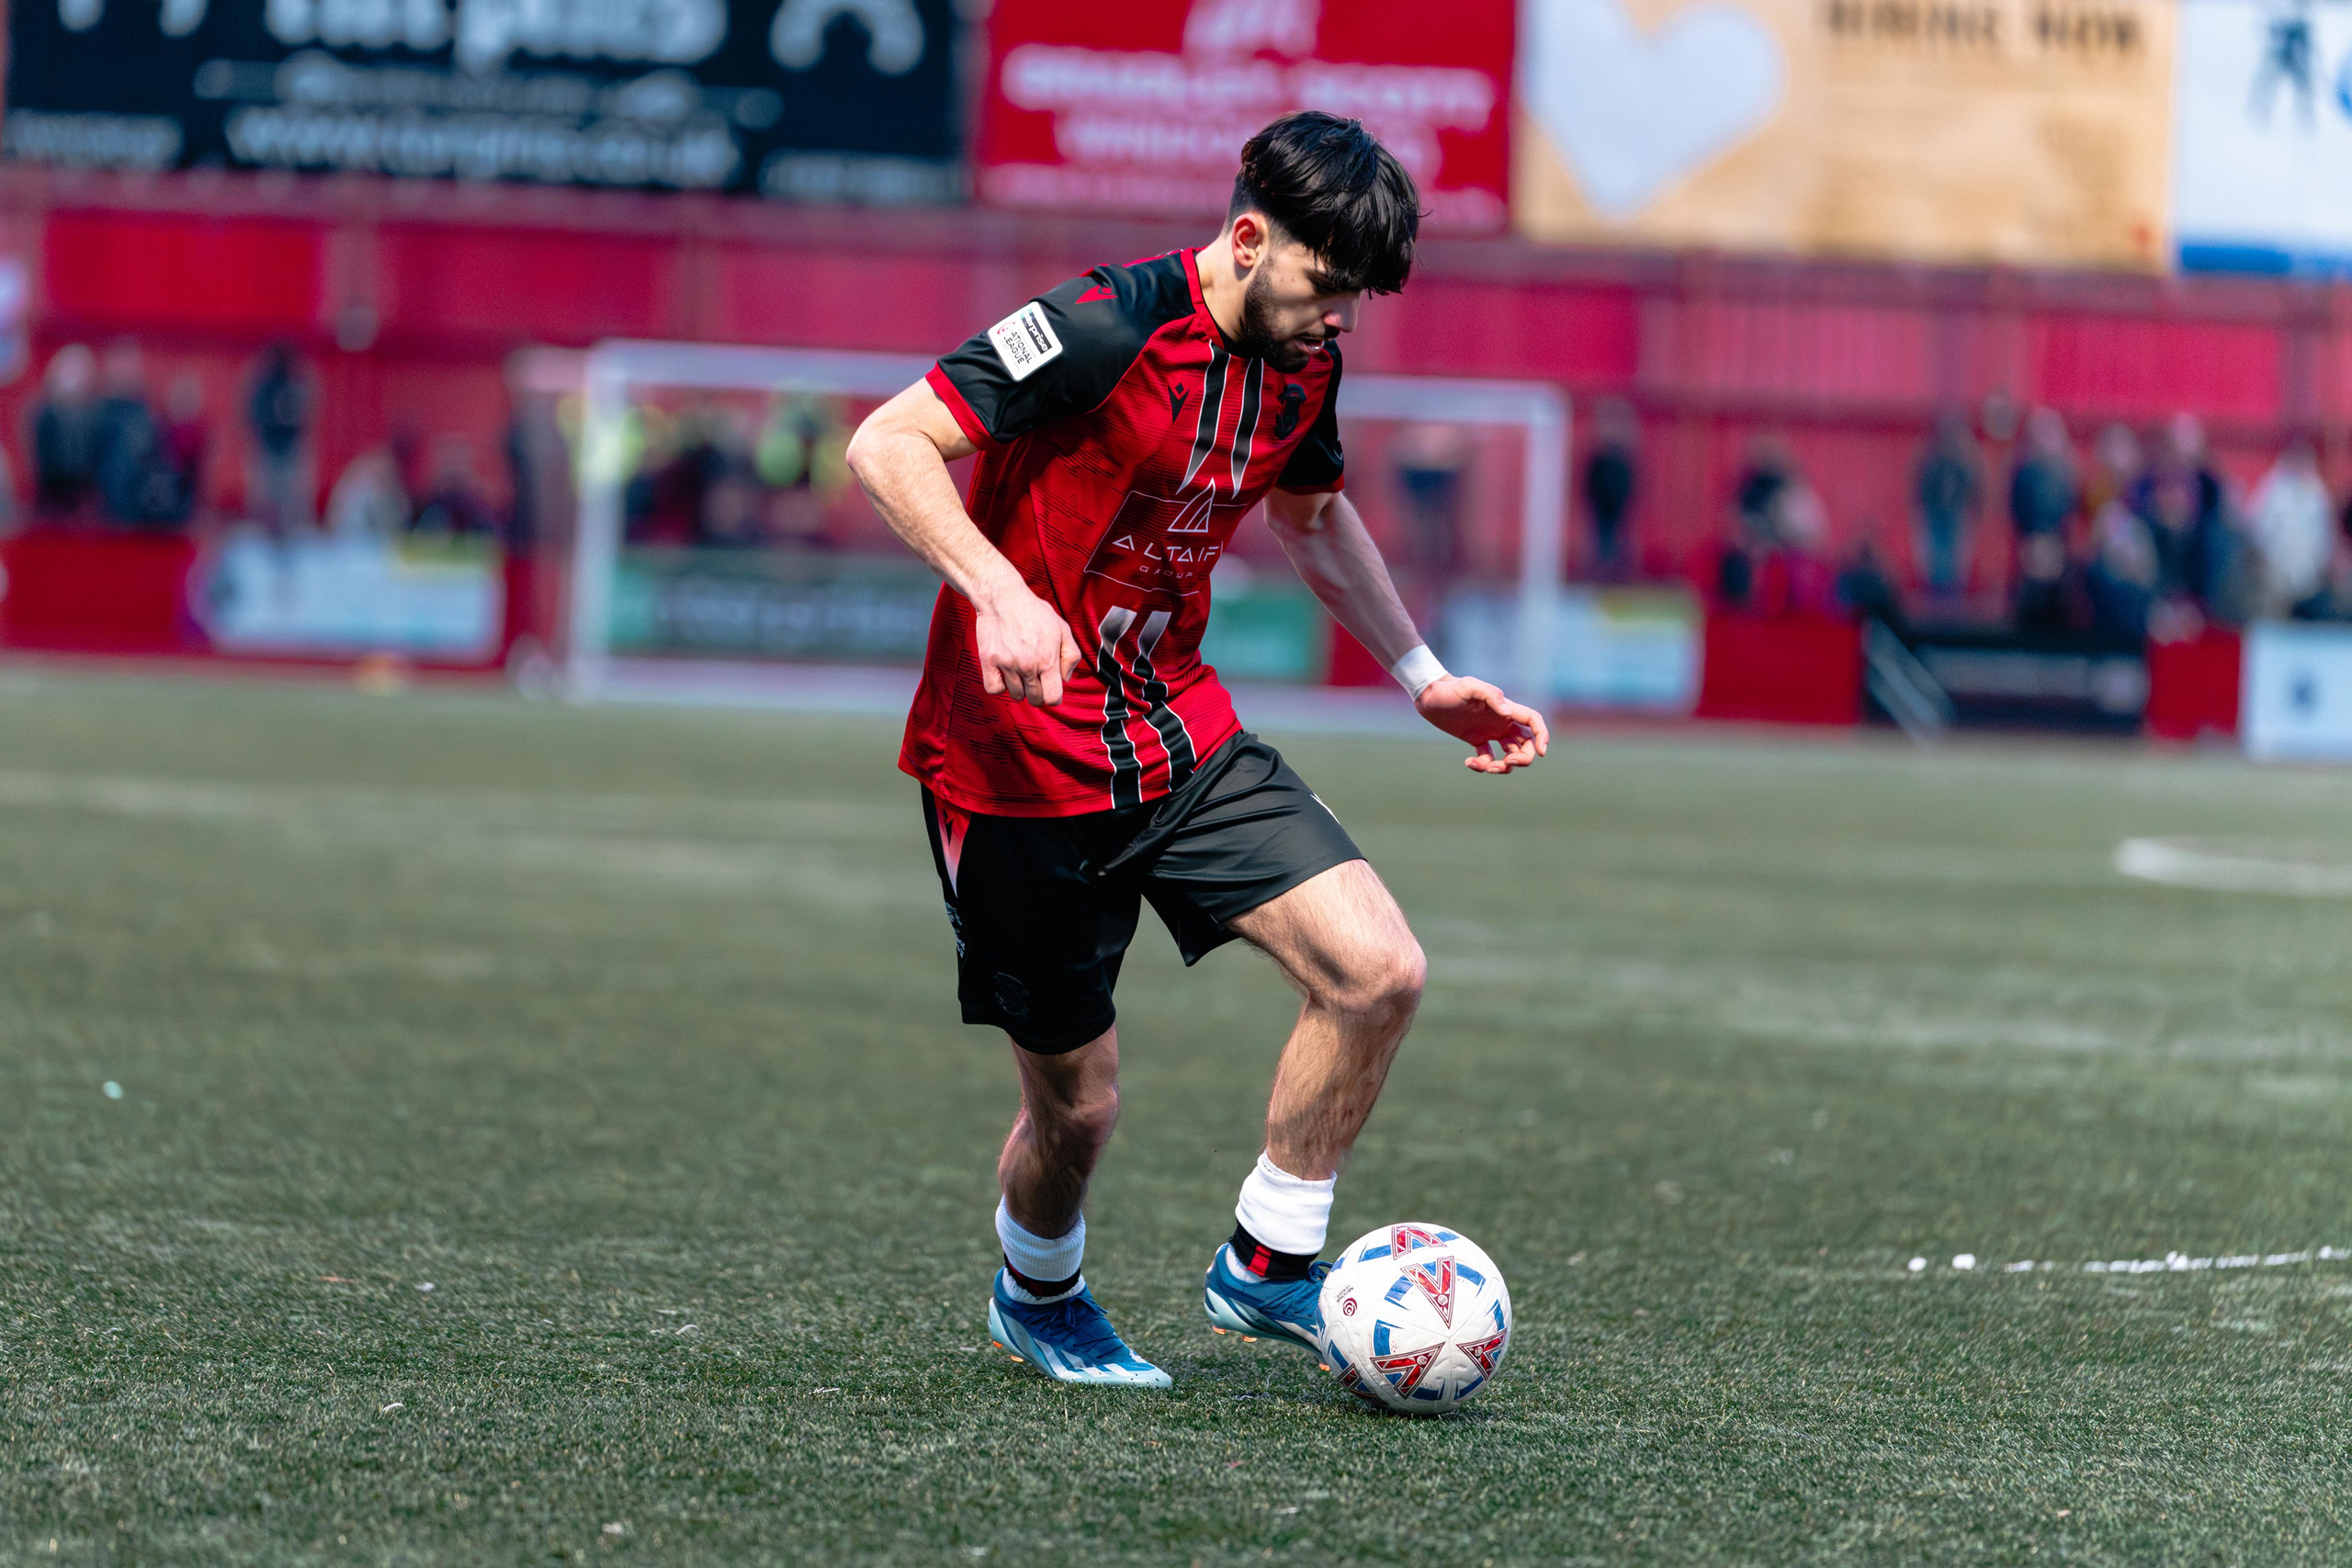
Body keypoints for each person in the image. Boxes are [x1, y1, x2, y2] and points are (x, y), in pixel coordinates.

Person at [843, 111, 1548, 1389]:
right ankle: (1038, 1292)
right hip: (1013, 764)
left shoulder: (1305, 364)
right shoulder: (1103, 324)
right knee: (1078, 1109)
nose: (1340, 318)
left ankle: (1268, 1264)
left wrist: (1423, 675)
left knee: (1378, 971)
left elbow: (1314, 519)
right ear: (1248, 238)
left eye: (1359, 297)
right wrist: (999, 592)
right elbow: (887, 442)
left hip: (1177, 732)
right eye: (1328, 284)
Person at [2007, 408, 2077, 632]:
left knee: (2056, 588)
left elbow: (2070, 504)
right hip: (2032, 535)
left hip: (2055, 537)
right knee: (2033, 588)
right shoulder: (2025, 470)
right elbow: (2017, 503)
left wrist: (2056, 538)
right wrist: (2031, 536)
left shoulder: (2066, 471)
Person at [2248, 435, 2334, 618]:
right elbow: (2257, 528)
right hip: (2274, 576)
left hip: (2309, 579)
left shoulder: (2318, 493)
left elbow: (2325, 535)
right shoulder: (2272, 488)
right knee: (2275, 622)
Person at [246, 343, 316, 535]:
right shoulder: (262, 386)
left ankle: (292, 534)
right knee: (267, 498)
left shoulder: (296, 384)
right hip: (269, 448)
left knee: (292, 499)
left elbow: (306, 416)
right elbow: (253, 416)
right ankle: (267, 534)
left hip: (290, 448)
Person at [1913, 411, 1982, 598]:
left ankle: (1952, 588)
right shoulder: (1931, 457)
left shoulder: (1965, 459)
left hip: (1956, 512)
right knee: (1936, 551)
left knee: (1955, 552)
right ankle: (1937, 587)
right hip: (1936, 512)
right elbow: (1922, 485)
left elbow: (1973, 486)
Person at [31, 344, 103, 518]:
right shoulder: (45, 413)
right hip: (52, 496)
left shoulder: (98, 413)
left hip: (87, 497)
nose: (74, 375)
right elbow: (42, 459)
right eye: (68, 368)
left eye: (79, 369)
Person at [1581, 397, 1638, 582]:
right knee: (1600, 539)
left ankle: (1618, 576)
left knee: (1619, 539)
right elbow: (1590, 481)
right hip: (1600, 504)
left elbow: (1630, 482)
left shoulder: (1624, 459)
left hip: (1619, 504)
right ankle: (1598, 574)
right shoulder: (1599, 458)